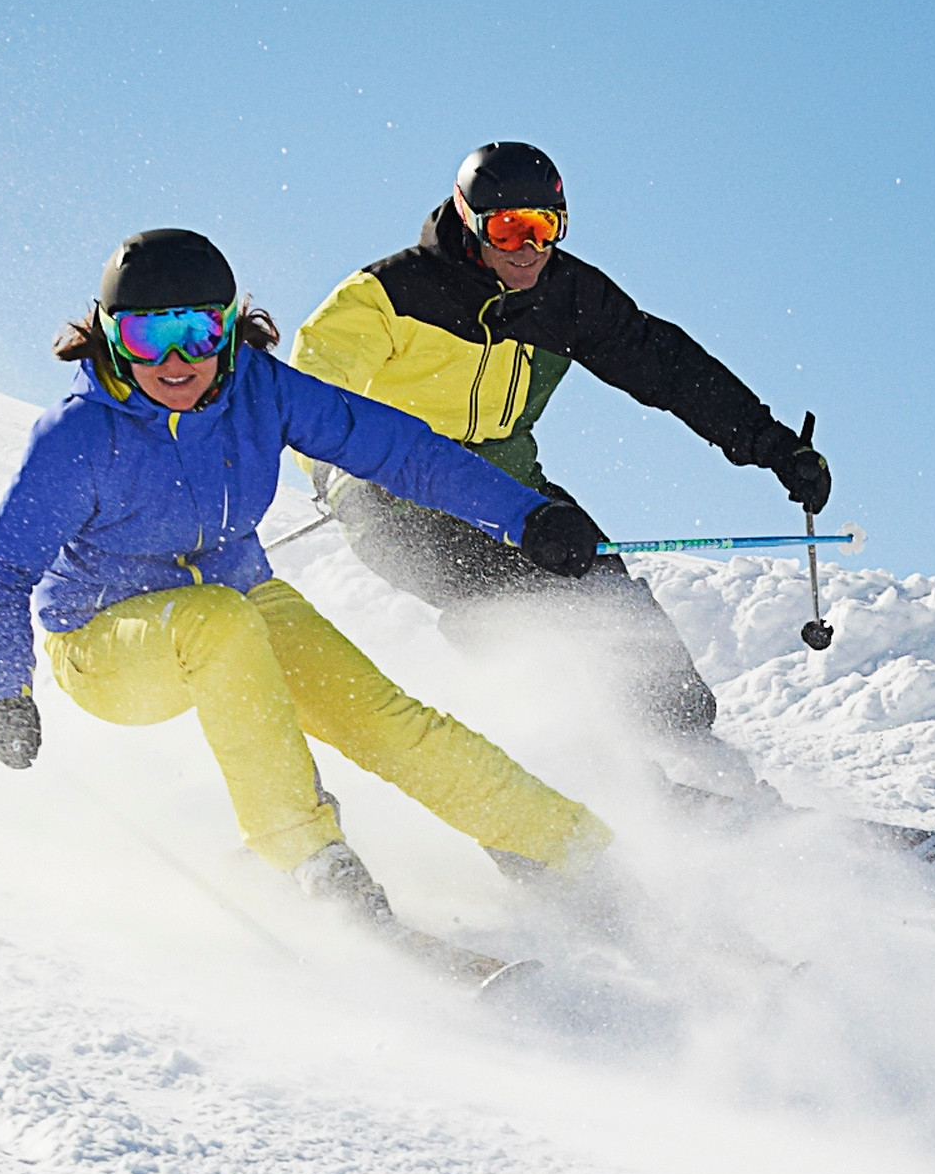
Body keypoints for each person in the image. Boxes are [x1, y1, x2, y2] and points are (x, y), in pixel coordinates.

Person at [0, 228, 623, 942]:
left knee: (380, 715)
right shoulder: (80, 436)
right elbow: (0, 570)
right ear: (110, 337)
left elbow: (398, 450)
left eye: (197, 331)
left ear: (227, 327)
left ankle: (565, 849)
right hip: (103, 646)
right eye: (149, 338)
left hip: (238, 605)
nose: (178, 360)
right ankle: (308, 864)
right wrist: (5, 688)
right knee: (215, 621)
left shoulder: (259, 391)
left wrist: (524, 515)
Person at [286, 140, 835, 802]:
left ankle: (698, 760)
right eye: (507, 229)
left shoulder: (567, 296)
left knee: (608, 595)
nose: (527, 249)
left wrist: (773, 445)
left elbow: (668, 368)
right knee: (513, 606)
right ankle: (601, 780)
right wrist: (332, 482)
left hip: (511, 482)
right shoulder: (386, 296)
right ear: (469, 221)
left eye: (543, 228)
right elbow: (308, 394)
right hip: (390, 494)